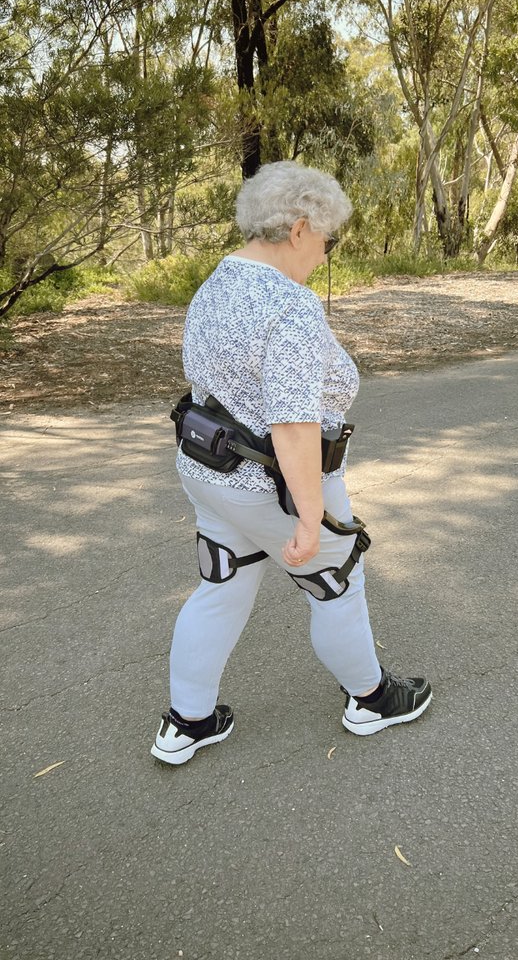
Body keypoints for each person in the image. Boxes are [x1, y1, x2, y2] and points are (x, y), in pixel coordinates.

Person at [156, 161, 430, 765]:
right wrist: (311, 517)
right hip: (271, 484)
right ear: (301, 228)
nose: (326, 255)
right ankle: (372, 699)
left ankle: (187, 722)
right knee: (337, 580)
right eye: (327, 240)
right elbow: (295, 425)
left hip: (208, 470)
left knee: (221, 584)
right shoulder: (289, 307)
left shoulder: (217, 282)